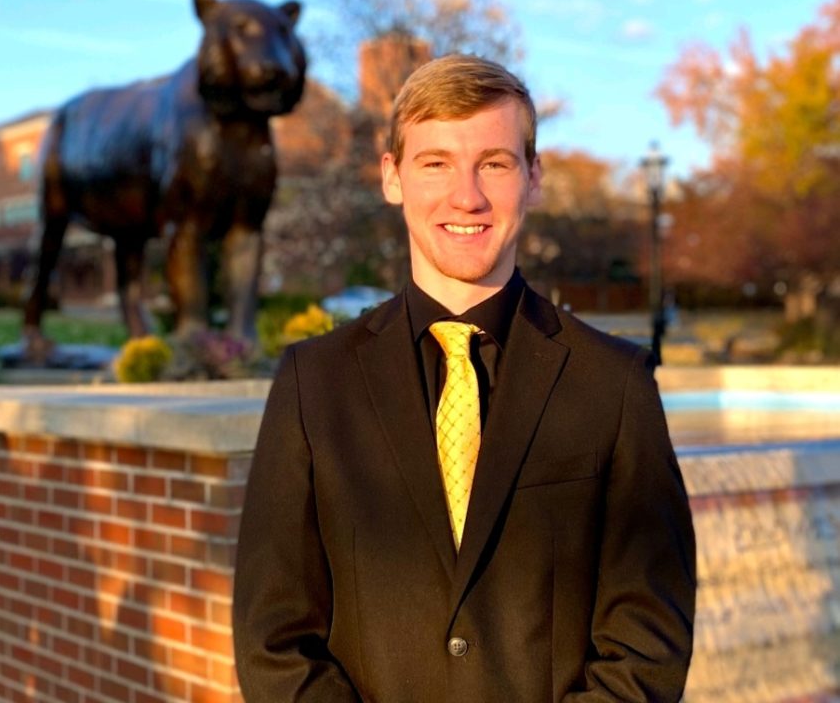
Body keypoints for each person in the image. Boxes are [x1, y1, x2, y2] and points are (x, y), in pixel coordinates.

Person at [233, 54, 696, 703]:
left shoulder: (613, 384)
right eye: (436, 163)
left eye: (495, 163)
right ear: (392, 176)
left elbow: (649, 636)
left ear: (534, 178)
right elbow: (272, 638)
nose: (467, 196)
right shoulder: (313, 384)